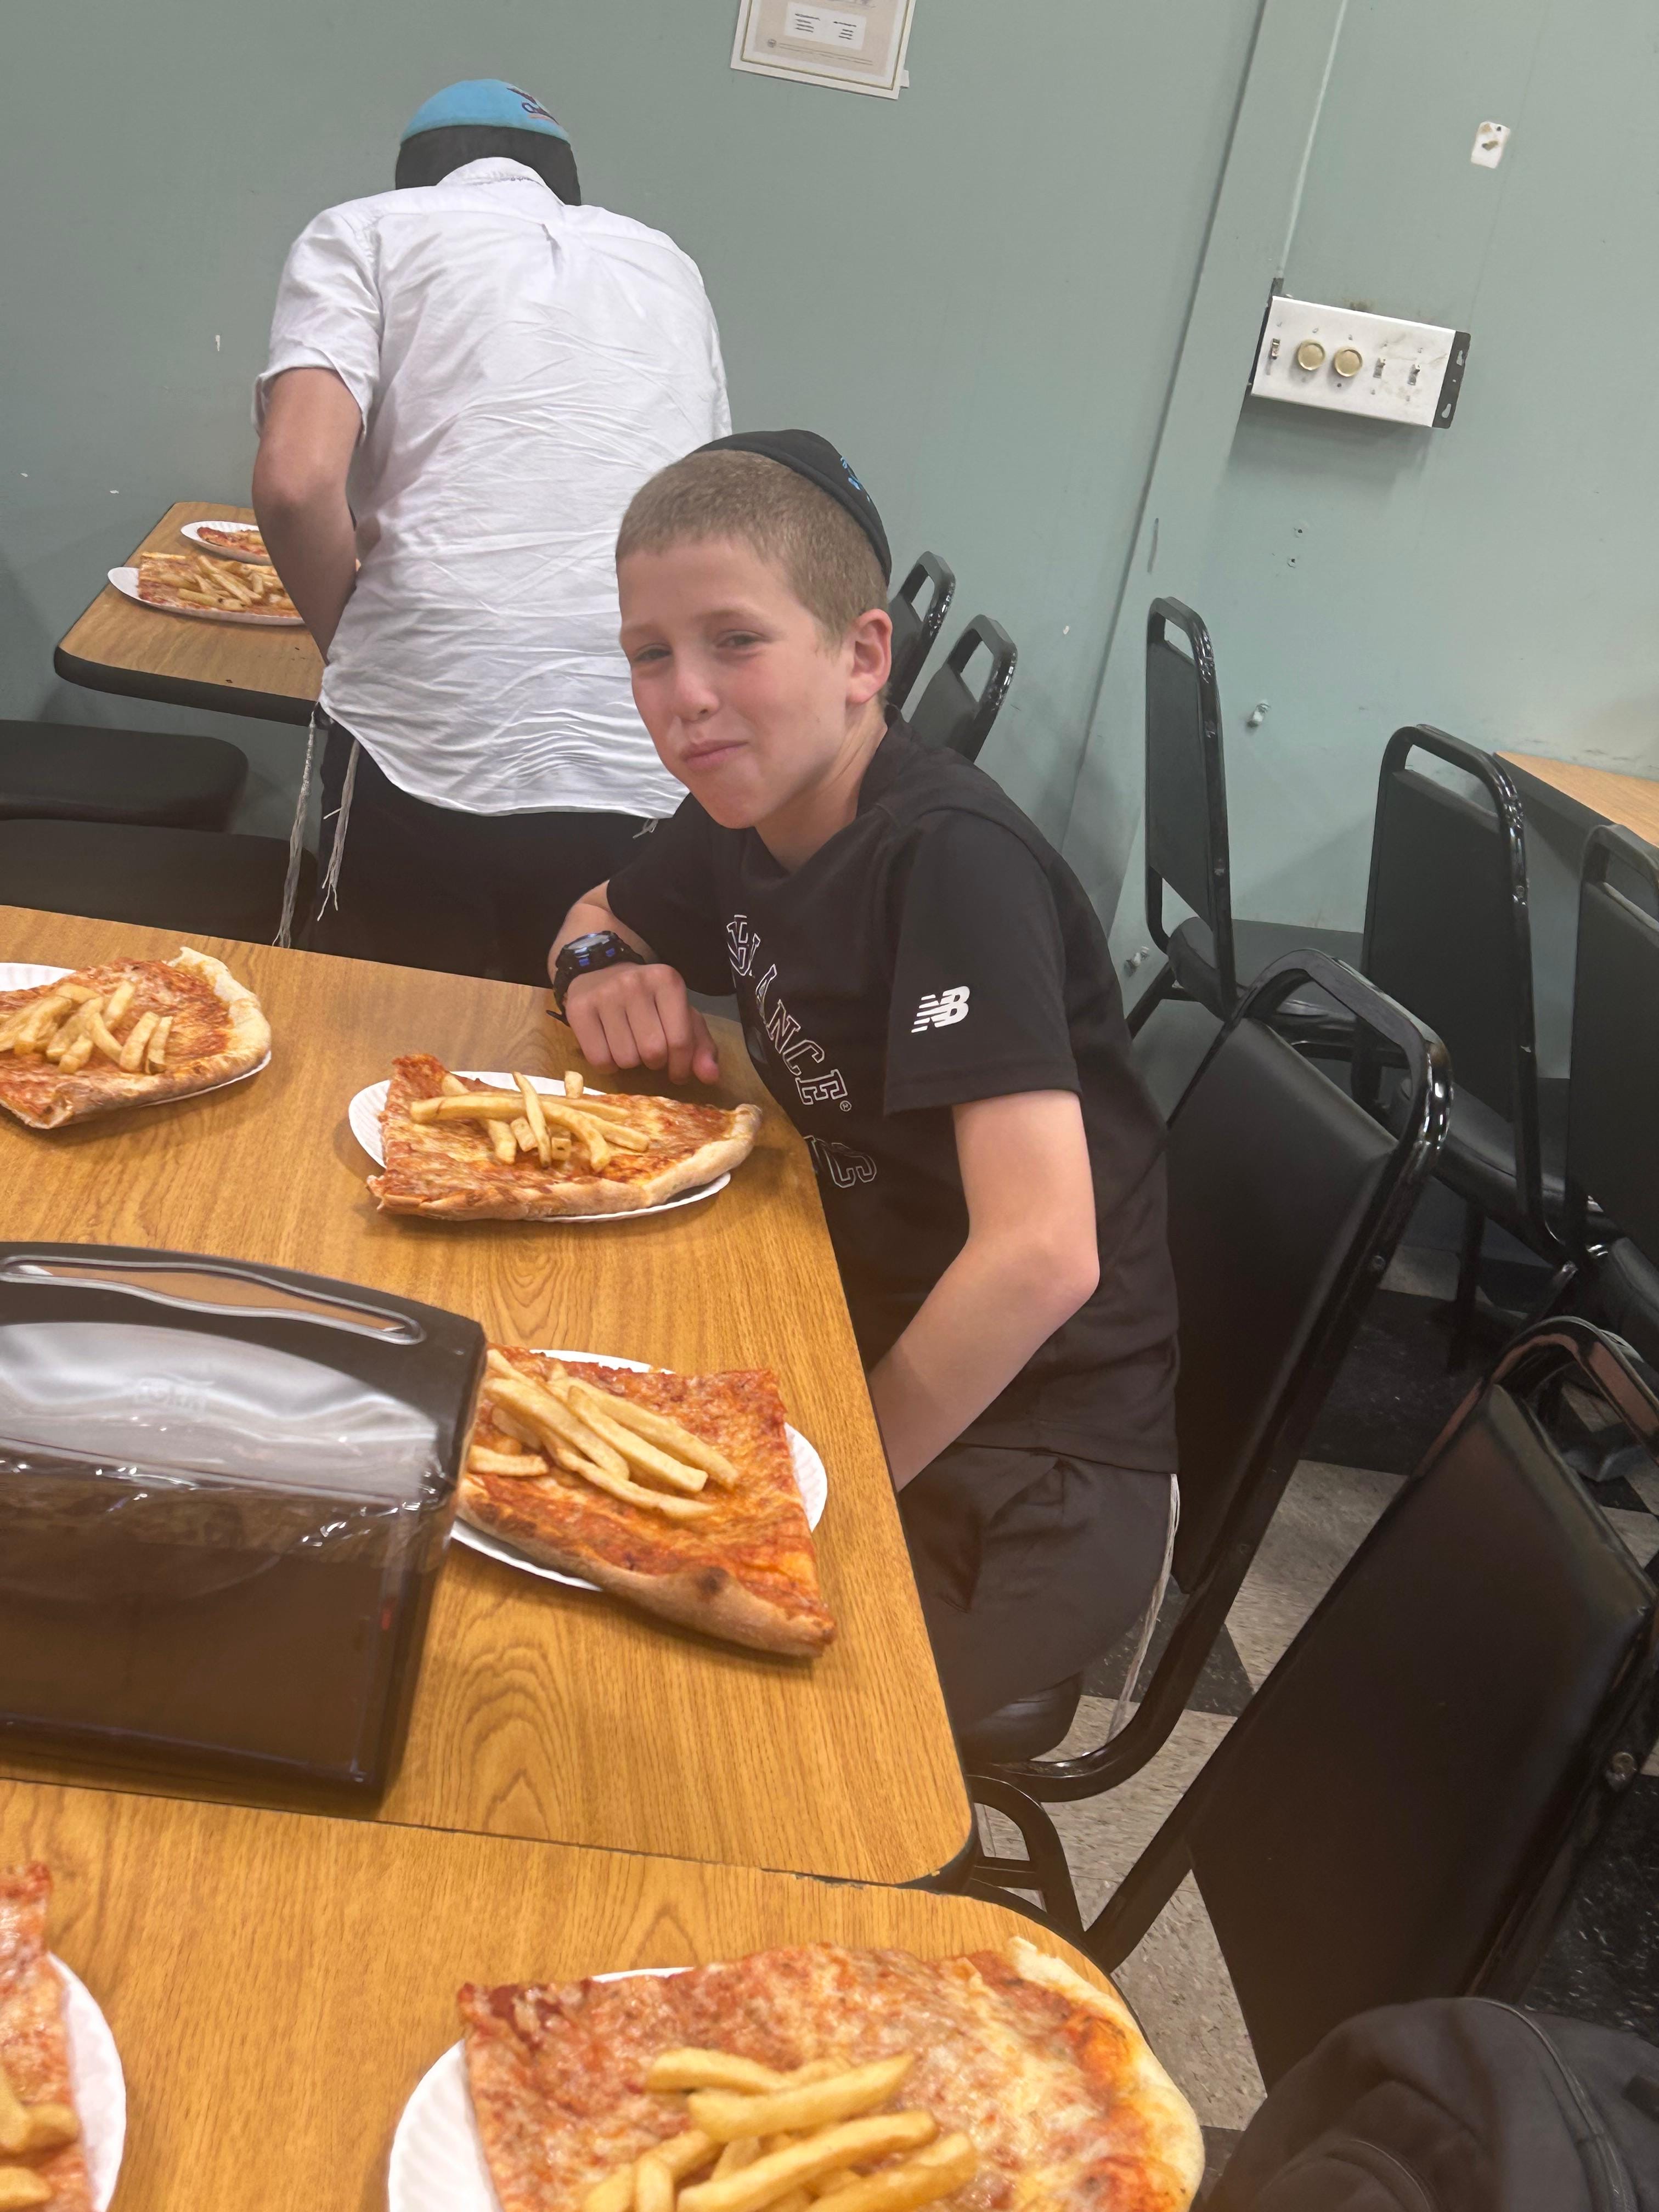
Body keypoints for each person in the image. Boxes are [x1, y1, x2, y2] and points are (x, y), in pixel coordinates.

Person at [548, 430, 1180, 1732]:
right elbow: (596, 909)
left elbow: (1043, 1255)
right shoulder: (746, 809)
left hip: (1025, 1464)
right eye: (649, 655)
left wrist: (804, 1482)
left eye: (735, 641)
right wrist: (599, 966)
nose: (685, 697)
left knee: (667, 1727)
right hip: (841, 1332)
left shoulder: (948, 859)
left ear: (862, 657)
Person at [251, 79, 730, 979]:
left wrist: (354, 643)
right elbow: (703, 511)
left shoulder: (366, 231)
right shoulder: (667, 265)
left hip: (426, 724)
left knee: (389, 1026)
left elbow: (296, 481)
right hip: (640, 735)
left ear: (416, 180)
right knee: (588, 1045)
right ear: (567, 188)